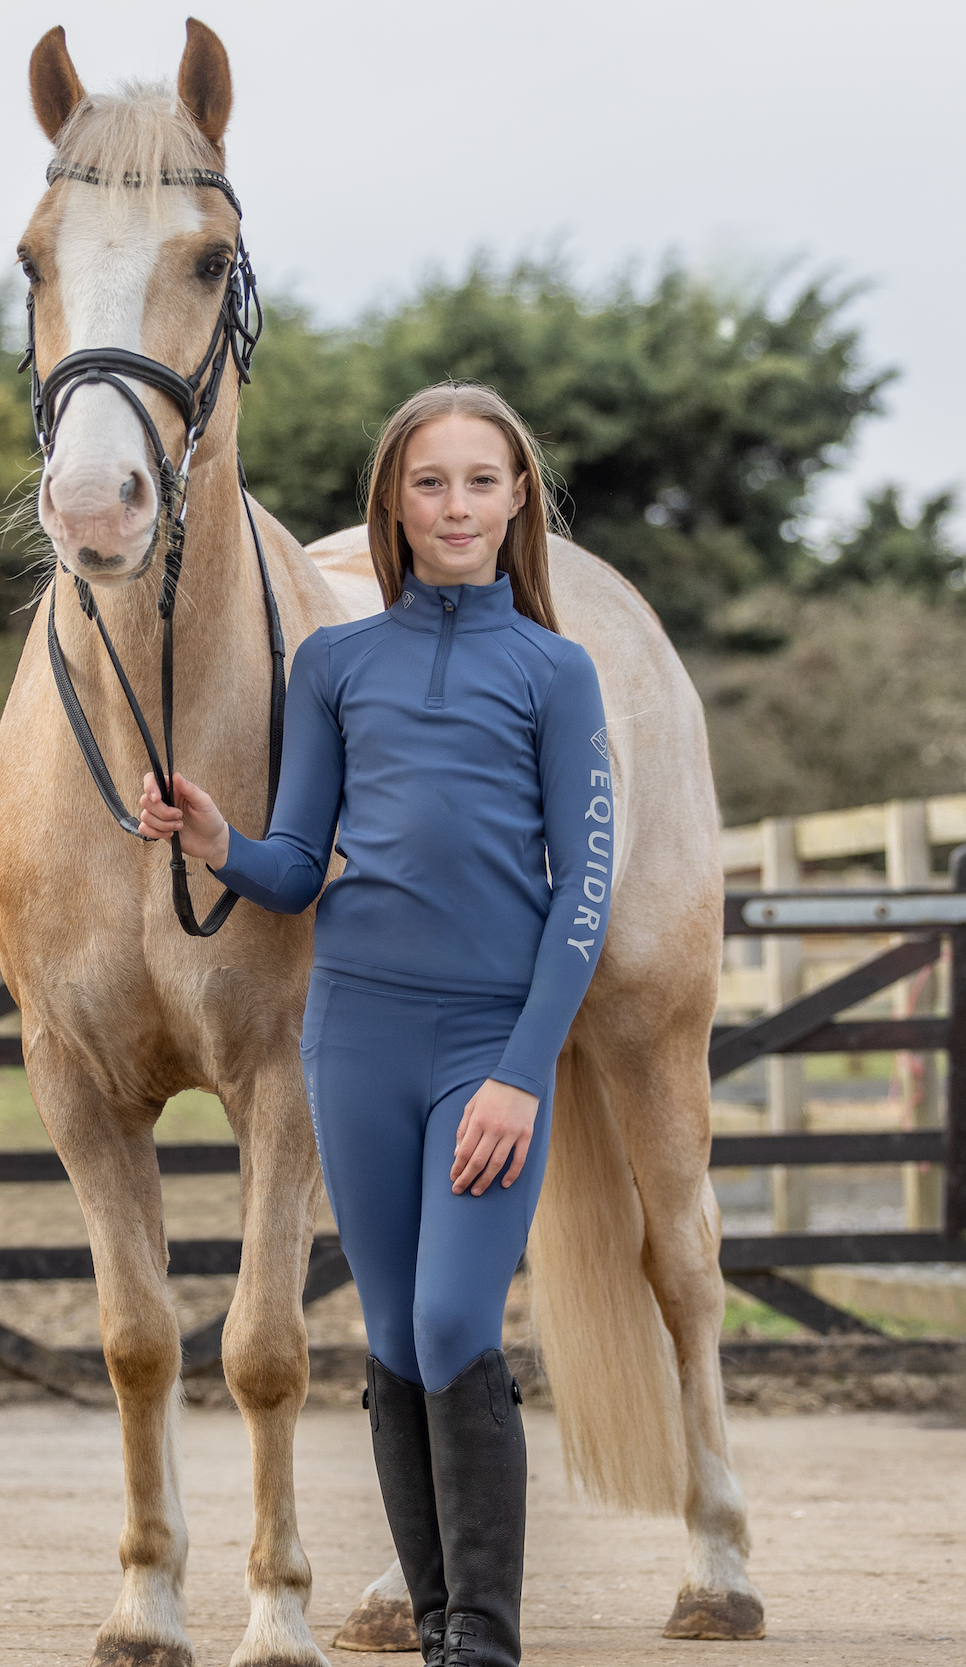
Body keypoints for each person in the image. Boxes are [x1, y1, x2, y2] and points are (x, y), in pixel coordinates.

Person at [139, 382, 611, 1667]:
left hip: (487, 1049)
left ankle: (486, 1637)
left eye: (479, 480)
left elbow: (585, 890)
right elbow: (299, 862)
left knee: (457, 1323)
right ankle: (441, 1619)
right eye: (428, 481)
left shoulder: (556, 671)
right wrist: (216, 838)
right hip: (354, 1038)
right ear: (391, 504)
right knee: (394, 1333)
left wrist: (522, 1071)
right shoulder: (337, 666)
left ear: (516, 500)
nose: (454, 505)